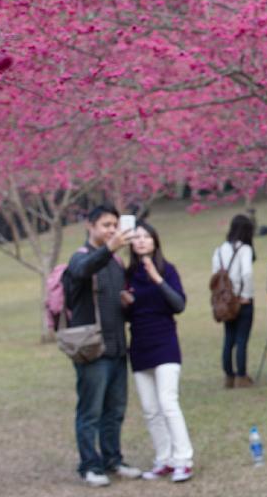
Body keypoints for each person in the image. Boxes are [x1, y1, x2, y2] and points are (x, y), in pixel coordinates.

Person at [65, 204, 142, 487]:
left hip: (117, 347)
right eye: (106, 225)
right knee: (91, 411)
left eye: (114, 225)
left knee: (115, 410)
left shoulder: (115, 263)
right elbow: (83, 271)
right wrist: (109, 248)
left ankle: (113, 459)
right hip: (92, 350)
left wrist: (125, 301)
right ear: (90, 226)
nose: (111, 230)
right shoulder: (80, 258)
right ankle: (89, 465)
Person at [122, 221, 194, 482]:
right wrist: (125, 305)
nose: (141, 241)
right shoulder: (127, 275)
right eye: (136, 237)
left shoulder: (167, 270)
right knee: (150, 409)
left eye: (146, 237)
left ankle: (183, 460)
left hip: (165, 343)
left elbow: (179, 304)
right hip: (140, 345)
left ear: (155, 241)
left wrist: (157, 279)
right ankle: (164, 458)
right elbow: (128, 314)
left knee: (168, 402)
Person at [213, 214, 256, 388]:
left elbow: (215, 276)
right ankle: (241, 376)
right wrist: (246, 294)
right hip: (240, 300)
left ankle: (228, 376)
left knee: (228, 338)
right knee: (241, 339)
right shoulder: (244, 249)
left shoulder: (218, 250)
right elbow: (246, 273)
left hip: (225, 302)